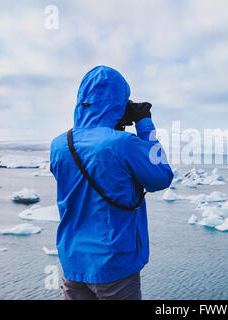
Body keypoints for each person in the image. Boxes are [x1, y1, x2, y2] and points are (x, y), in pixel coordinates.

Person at [50, 66, 173, 300]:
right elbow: (161, 176)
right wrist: (144, 124)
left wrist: (111, 125)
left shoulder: (59, 145)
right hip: (114, 264)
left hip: (73, 263)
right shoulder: (123, 144)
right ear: (117, 103)